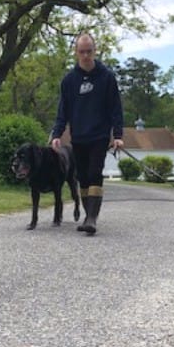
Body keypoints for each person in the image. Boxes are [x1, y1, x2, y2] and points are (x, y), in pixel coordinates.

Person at [51, 33, 124, 235]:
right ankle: (87, 214)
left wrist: (117, 135)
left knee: (94, 173)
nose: (85, 55)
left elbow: (115, 108)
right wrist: (57, 134)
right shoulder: (69, 81)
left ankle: (92, 218)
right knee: (82, 177)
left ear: (95, 51)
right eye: (81, 52)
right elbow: (62, 111)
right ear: (76, 52)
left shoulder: (107, 77)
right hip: (79, 136)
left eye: (89, 51)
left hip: (99, 136)